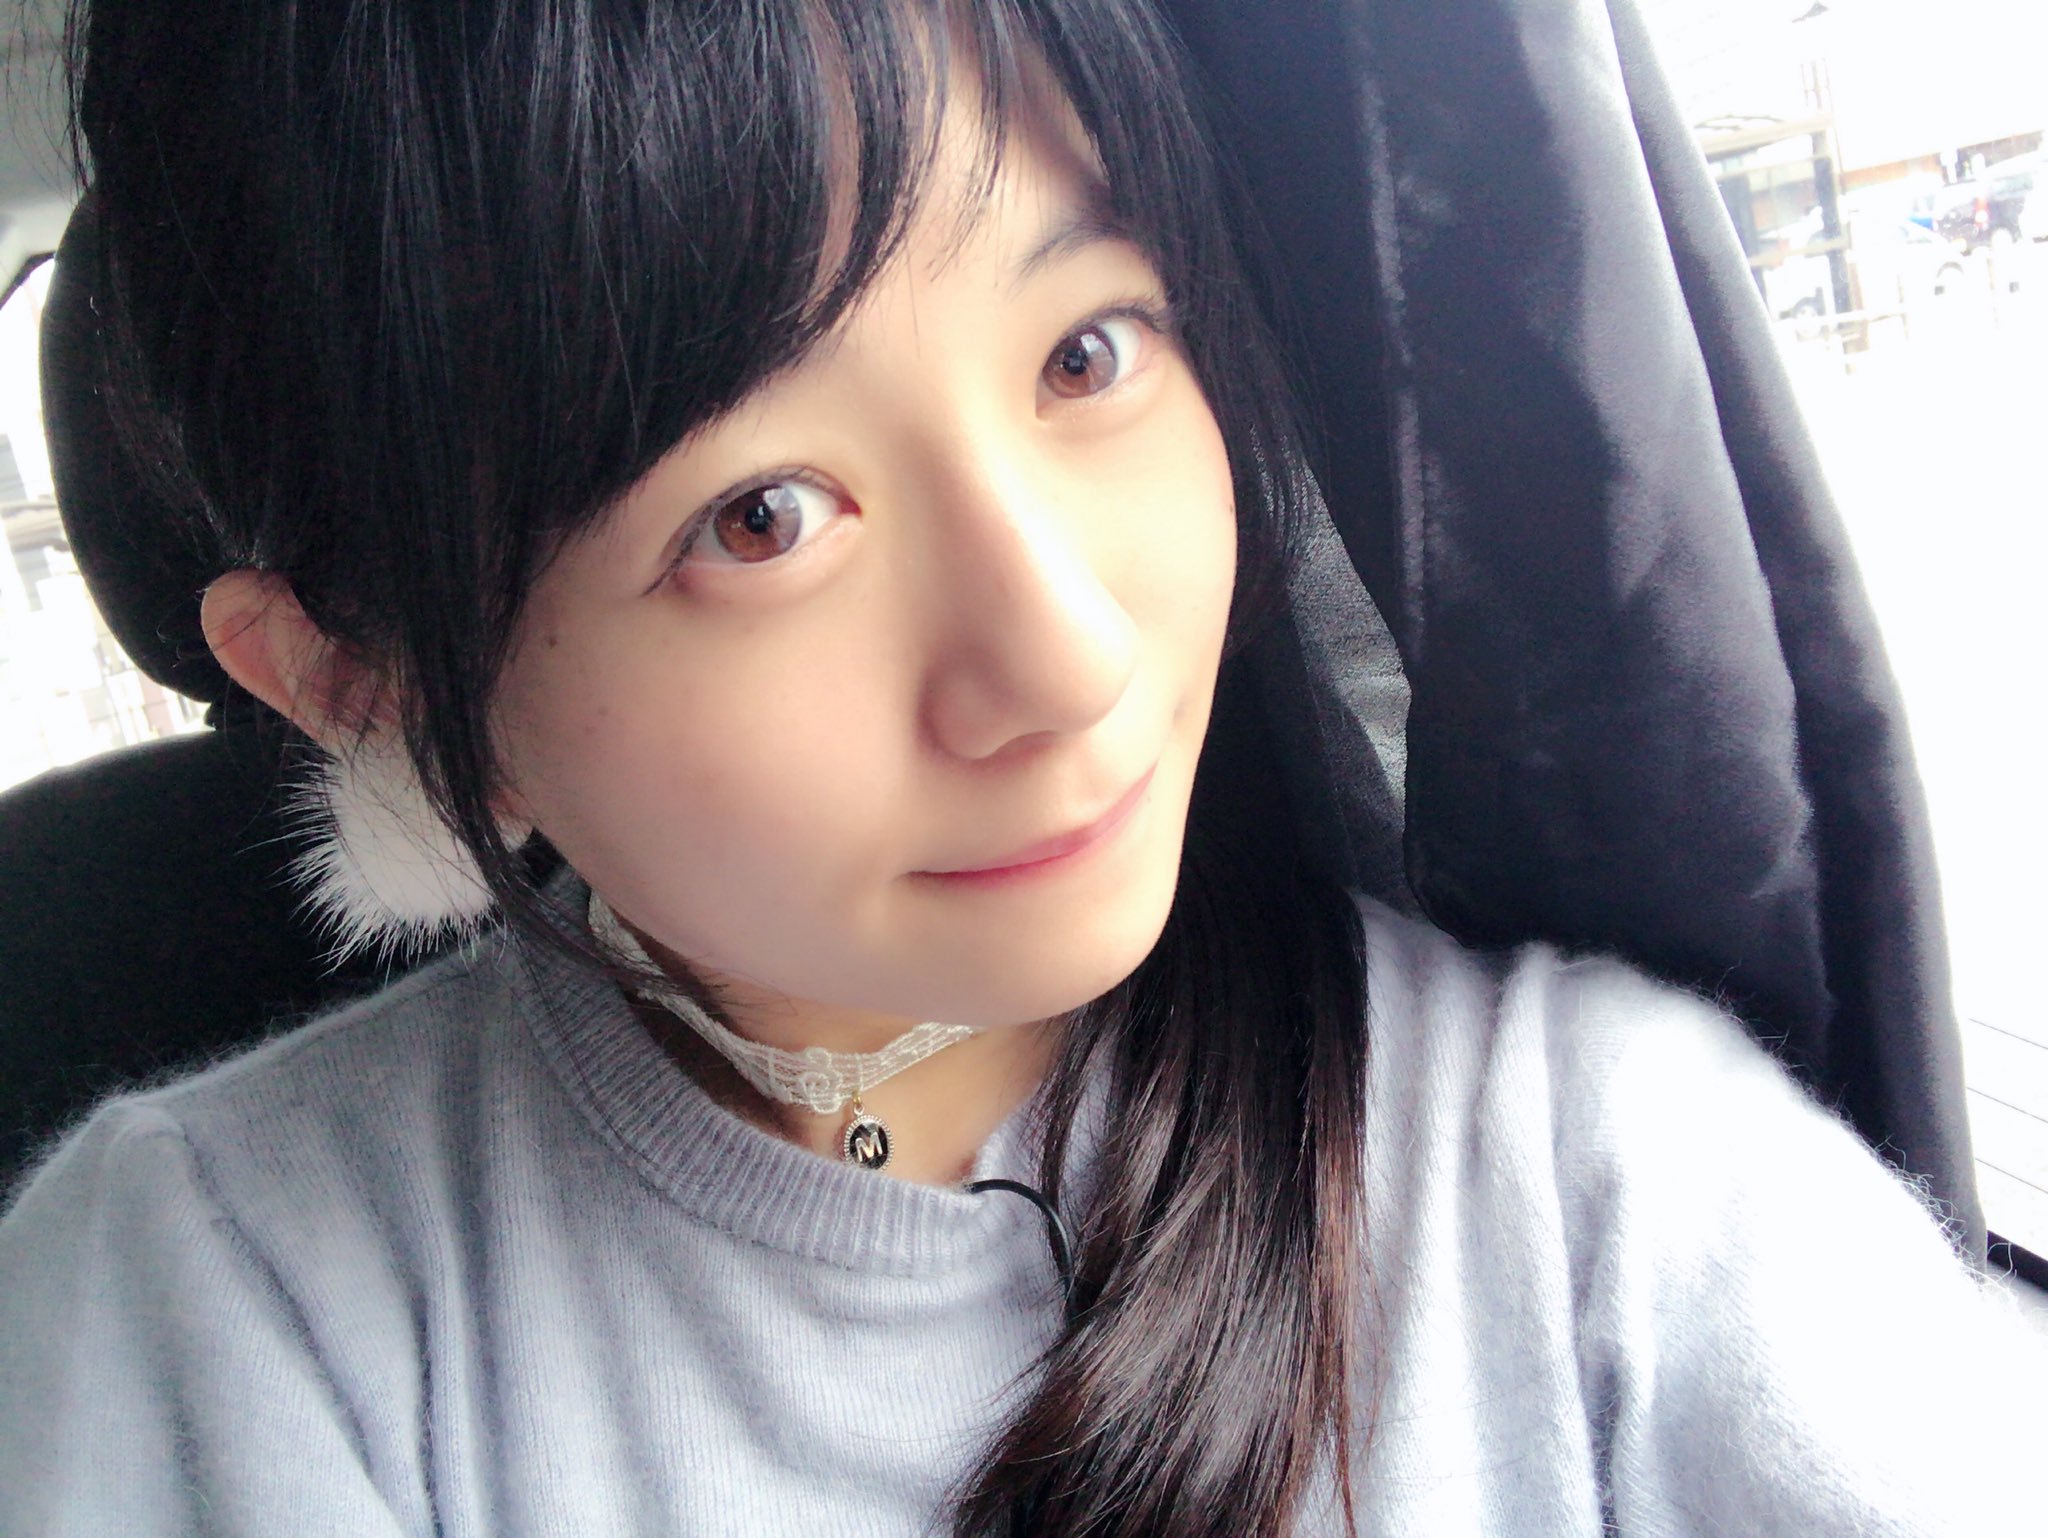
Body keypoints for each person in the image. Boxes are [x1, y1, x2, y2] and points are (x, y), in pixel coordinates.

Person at [0, 0, 2042, 1533]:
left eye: (1089, 350)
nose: (1069, 653)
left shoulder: (1596, 1171)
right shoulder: (222, 1308)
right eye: (761, 519)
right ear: (365, 684)